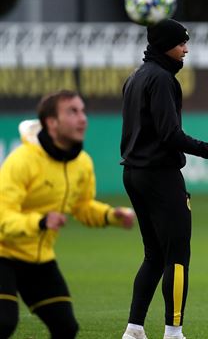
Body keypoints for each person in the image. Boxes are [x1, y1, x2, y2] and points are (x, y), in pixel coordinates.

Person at [120, 19, 208, 339]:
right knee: (177, 256)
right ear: (166, 44)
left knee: (154, 255)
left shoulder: (135, 77)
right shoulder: (163, 79)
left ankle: (134, 328)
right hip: (160, 177)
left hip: (133, 174)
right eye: (182, 43)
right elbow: (170, 135)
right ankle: (174, 332)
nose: (186, 49)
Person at [0, 90, 135, 339]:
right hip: (3, 255)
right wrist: (40, 222)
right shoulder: (22, 161)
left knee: (66, 328)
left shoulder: (81, 163)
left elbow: (82, 207)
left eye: (82, 111)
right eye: (72, 112)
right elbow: (2, 217)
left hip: (38, 259)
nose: (82, 118)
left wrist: (110, 215)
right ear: (51, 122)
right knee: (4, 321)